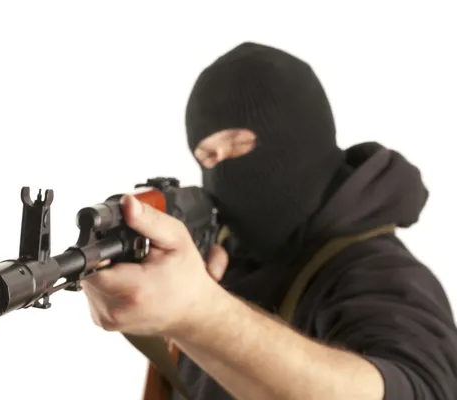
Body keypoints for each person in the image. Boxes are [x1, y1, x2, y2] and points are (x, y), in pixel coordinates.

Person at [80, 42, 457, 399]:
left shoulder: (381, 272)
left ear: (302, 136)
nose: (224, 169)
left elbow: (420, 389)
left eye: (240, 144)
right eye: (208, 156)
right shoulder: (220, 256)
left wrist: (200, 312)